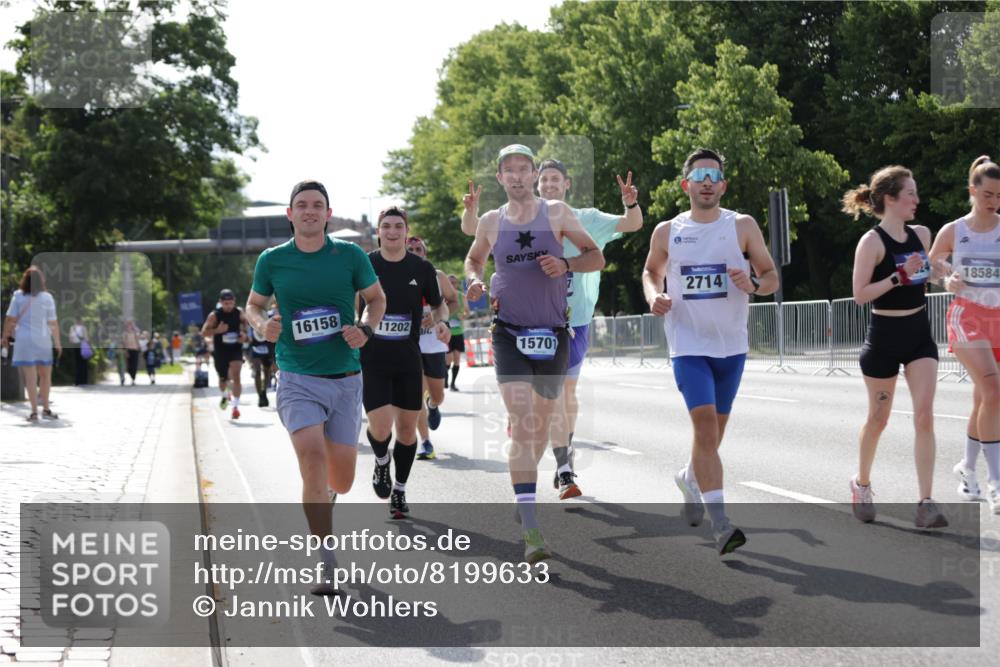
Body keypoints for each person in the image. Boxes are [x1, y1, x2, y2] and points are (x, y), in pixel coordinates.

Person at [464, 144, 604, 563]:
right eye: (510, 171)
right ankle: (531, 528)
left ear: (532, 174)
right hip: (508, 333)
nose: (519, 177)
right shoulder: (491, 221)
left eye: (525, 169)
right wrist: (474, 281)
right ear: (501, 178)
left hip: (553, 333)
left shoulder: (558, 213)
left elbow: (594, 257)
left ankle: (522, 490)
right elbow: (474, 260)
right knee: (524, 424)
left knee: (540, 429)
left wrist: (566, 266)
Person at [246, 179, 385, 596]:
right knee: (310, 457)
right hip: (296, 377)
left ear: (327, 213)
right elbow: (254, 305)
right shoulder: (272, 261)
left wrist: (366, 329)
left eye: (317, 205)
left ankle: (327, 496)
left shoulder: (350, 255)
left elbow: (376, 299)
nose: (309, 211)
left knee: (340, 480)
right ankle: (326, 560)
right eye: (302, 205)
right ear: (290, 214)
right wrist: (261, 324)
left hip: (344, 378)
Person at [642, 148, 779, 555]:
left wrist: (753, 283)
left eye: (713, 175)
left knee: (712, 438)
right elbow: (651, 271)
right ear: (686, 185)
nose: (706, 181)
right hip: (687, 343)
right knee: (704, 428)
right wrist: (654, 295)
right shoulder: (668, 230)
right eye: (699, 174)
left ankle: (688, 477)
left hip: (731, 345)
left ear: (722, 185)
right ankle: (721, 524)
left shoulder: (742, 226)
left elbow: (770, 276)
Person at [843, 164, 948, 529]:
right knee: (879, 419)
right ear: (890, 199)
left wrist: (942, 272)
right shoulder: (871, 242)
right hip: (884, 339)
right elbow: (859, 295)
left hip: (919, 335)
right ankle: (862, 484)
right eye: (910, 194)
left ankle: (925, 502)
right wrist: (895, 277)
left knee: (924, 415)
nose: (917, 200)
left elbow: (928, 273)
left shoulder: (920, 233)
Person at [534, 160, 644, 498]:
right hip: (536, 322)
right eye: (545, 180)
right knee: (551, 397)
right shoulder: (524, 221)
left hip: (575, 322)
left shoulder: (589, 218)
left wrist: (630, 202)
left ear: (567, 184)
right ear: (538, 186)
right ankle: (565, 467)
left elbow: (633, 224)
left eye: (556, 179)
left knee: (565, 395)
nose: (550, 184)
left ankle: (563, 457)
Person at [363, 207, 450, 517]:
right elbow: (352, 304)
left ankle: (399, 490)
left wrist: (441, 323)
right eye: (386, 226)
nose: (392, 231)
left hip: (408, 359)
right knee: (381, 427)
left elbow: (440, 307)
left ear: (405, 229)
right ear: (378, 231)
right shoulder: (366, 264)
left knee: (407, 431)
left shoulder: (422, 268)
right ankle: (381, 462)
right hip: (373, 358)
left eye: (398, 226)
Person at [929, 155, 1000, 514]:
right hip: (967, 316)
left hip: (998, 318)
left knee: (984, 400)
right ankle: (996, 483)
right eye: (987, 194)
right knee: (992, 389)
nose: (994, 202)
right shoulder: (956, 230)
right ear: (972, 190)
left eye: (999, 196)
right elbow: (932, 263)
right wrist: (946, 277)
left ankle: (968, 469)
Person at [407, 236, 458, 461]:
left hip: (434, 344)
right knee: (414, 395)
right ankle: (425, 443)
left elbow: (453, 301)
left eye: (419, 249)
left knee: (438, 394)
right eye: (411, 249)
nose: (416, 252)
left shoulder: (437, 276)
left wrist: (439, 321)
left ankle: (433, 404)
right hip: (410, 344)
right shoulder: (395, 276)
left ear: (425, 253)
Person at [2, 266, 62, 421]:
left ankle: (34, 411)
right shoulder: (47, 297)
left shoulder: (18, 296)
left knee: (30, 377)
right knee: (45, 376)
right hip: (42, 340)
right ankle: (46, 409)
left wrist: (4, 337)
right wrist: (57, 342)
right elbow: (53, 323)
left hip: (24, 340)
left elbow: (10, 319)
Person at [202, 289, 248, 419]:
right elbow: (204, 332)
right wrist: (217, 330)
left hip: (235, 349)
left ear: (234, 302)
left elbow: (246, 326)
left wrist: (244, 335)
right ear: (220, 303)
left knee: (236, 375)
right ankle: (224, 395)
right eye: (225, 303)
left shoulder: (239, 313)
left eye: (231, 302)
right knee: (223, 380)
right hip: (220, 351)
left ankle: (235, 407)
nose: (228, 305)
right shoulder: (214, 315)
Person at [249, 303, 278, 408]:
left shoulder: (271, 316)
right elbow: (247, 331)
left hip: (268, 346)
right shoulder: (251, 315)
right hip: (255, 346)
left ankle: (264, 392)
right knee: (257, 371)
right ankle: (260, 396)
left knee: (267, 372)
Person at [444, 275, 468, 392]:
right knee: (448, 359)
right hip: (447, 332)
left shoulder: (461, 296)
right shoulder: (443, 295)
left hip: (458, 331)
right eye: (450, 282)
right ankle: (445, 380)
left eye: (455, 283)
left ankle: (453, 383)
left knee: (457, 358)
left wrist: (463, 316)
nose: (453, 285)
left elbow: (467, 311)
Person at [68, 317, 89, 385]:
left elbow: (70, 338)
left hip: (75, 345)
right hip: (82, 345)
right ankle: (84, 380)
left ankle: (77, 381)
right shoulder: (83, 328)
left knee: (76, 363)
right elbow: (86, 338)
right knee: (83, 363)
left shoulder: (72, 327)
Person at [122, 319, 140, 385]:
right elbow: (124, 343)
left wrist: (139, 347)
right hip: (128, 350)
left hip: (135, 350)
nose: (129, 326)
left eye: (131, 324)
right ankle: (131, 376)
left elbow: (138, 340)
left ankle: (133, 379)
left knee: (134, 365)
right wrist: (126, 351)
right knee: (129, 366)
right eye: (128, 324)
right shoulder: (125, 333)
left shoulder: (135, 332)